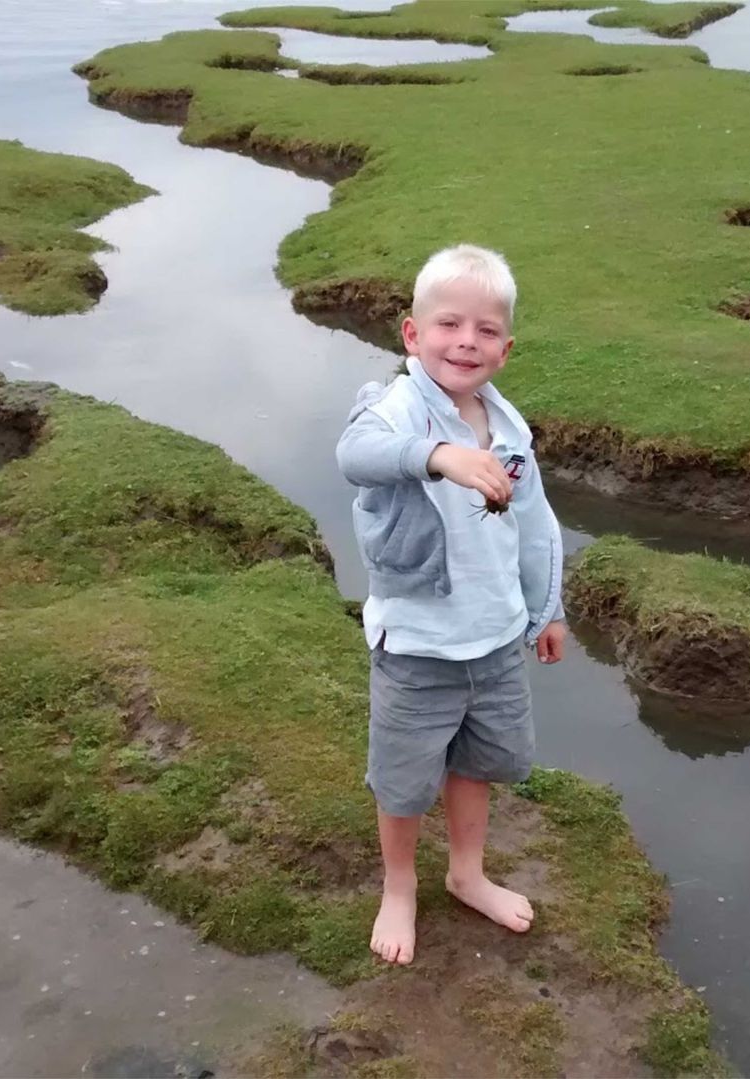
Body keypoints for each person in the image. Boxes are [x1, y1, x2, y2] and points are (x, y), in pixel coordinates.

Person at [334, 243, 569, 965]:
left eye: (486, 330)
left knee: (477, 763)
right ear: (412, 334)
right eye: (448, 324)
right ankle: (399, 886)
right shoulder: (393, 407)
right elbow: (355, 455)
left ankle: (466, 873)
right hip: (416, 649)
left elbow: (535, 525)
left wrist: (548, 606)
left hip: (495, 645)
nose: (466, 341)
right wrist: (439, 455)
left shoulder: (509, 426)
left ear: (505, 347)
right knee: (405, 781)